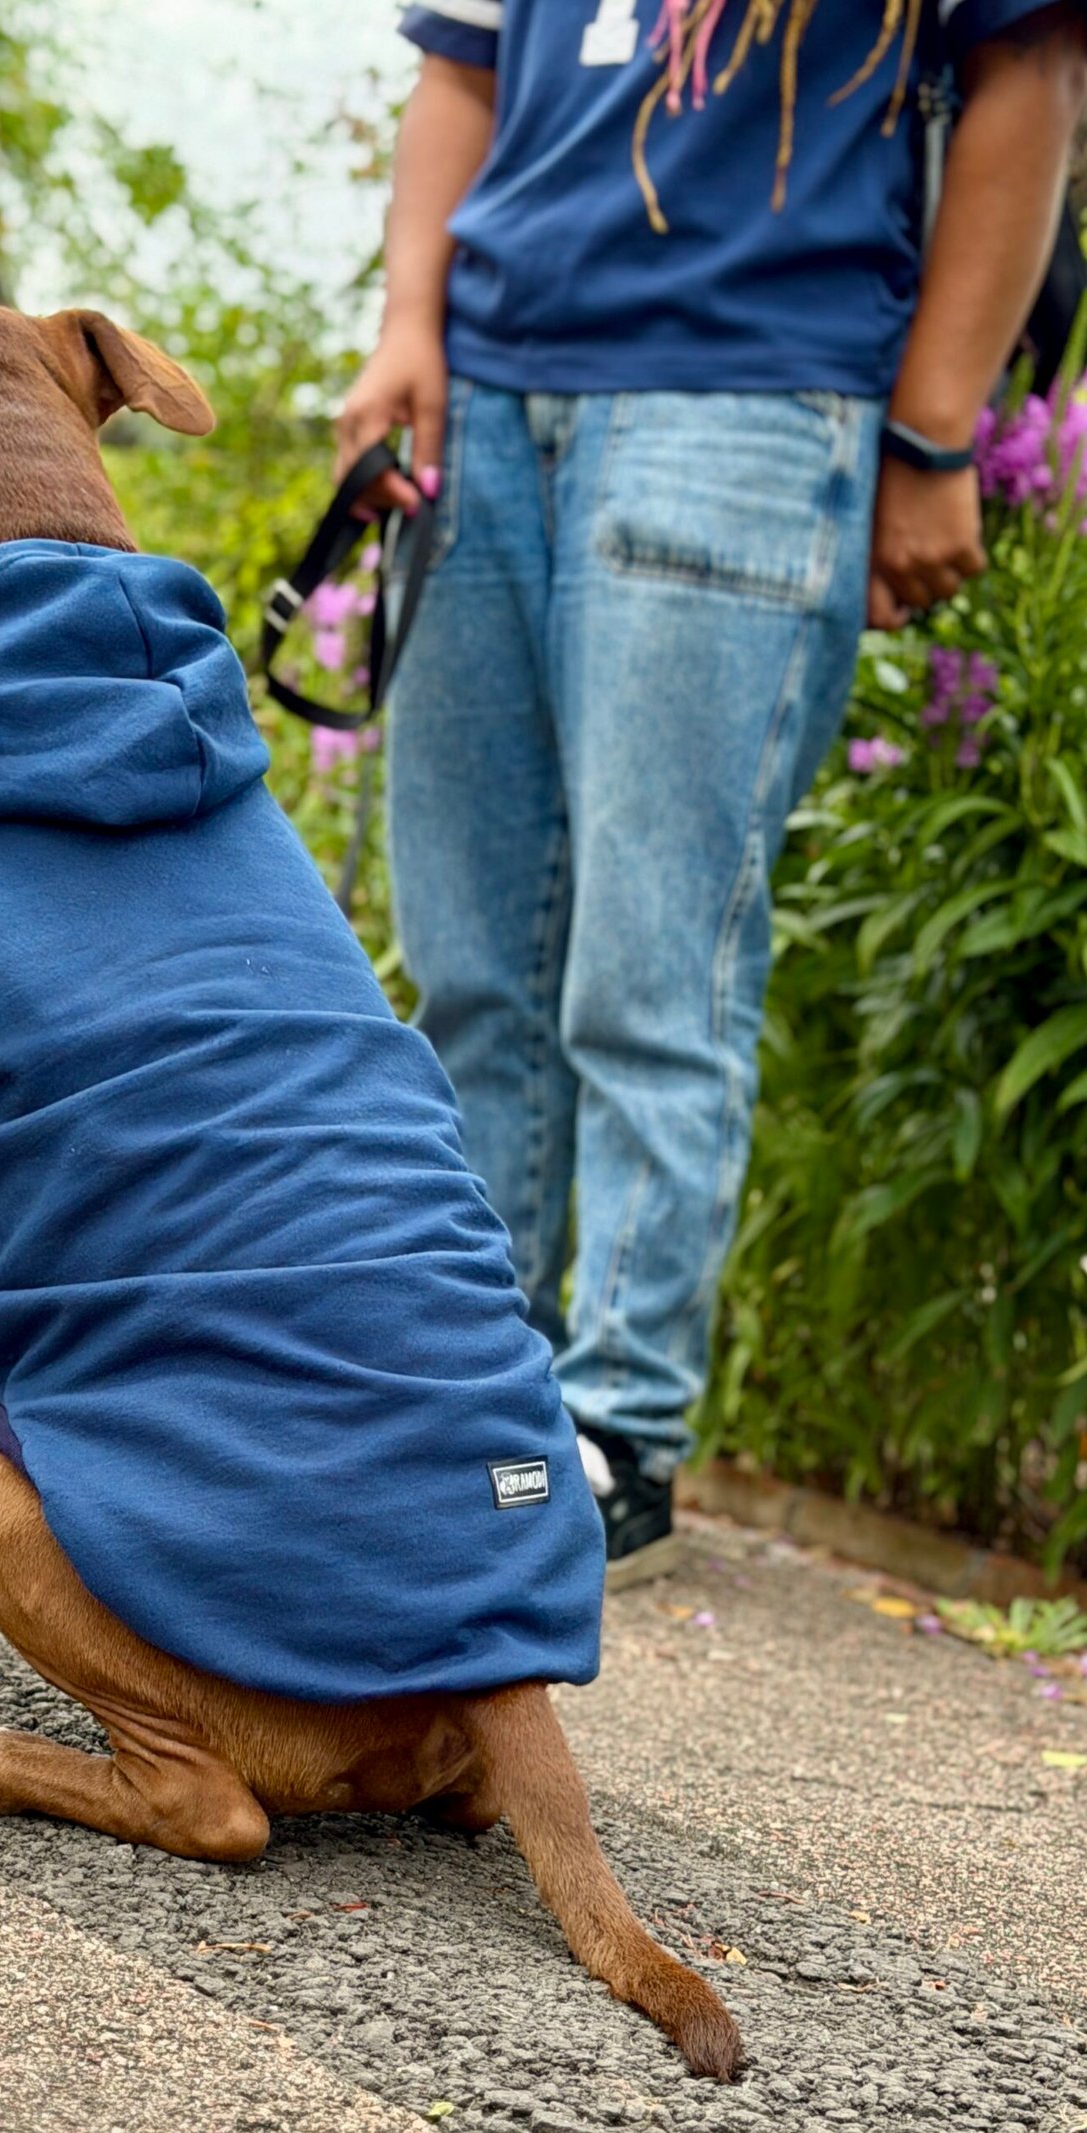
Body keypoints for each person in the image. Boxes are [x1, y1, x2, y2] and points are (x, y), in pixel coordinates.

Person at [337, 0, 1087, 1582]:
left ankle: (612, 1430)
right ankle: (473, 1402)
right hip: (483, 386)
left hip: (745, 398)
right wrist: (410, 321)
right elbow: (460, 71)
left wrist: (934, 429)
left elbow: (1027, 75)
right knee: (469, 962)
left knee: (653, 965)